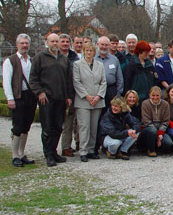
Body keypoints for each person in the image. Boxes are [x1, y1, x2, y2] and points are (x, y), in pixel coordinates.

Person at [29, 33, 74, 167]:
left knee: (58, 126)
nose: (55, 44)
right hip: (46, 98)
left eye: (56, 41)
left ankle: (54, 151)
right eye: (52, 41)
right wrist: (39, 92)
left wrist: (69, 96)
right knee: (47, 127)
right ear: (47, 43)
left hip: (61, 98)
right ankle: (48, 154)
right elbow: (33, 78)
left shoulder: (63, 59)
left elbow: (68, 79)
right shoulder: (40, 58)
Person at [3, 34, 37, 167]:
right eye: (22, 43)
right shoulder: (10, 61)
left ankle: (22, 153)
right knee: (18, 126)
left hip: (30, 96)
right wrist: (10, 98)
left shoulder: (31, 60)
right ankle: (15, 155)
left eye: (26, 43)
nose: (24, 45)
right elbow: (6, 81)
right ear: (17, 45)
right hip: (18, 96)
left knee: (26, 126)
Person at [72, 43, 107, 162]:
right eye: (86, 50)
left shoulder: (100, 65)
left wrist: (98, 96)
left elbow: (103, 82)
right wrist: (87, 96)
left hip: (97, 100)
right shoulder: (77, 65)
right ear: (83, 52)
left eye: (91, 51)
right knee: (84, 126)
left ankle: (91, 150)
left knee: (94, 127)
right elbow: (76, 82)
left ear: (94, 52)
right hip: (83, 100)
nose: (88, 53)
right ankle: (83, 151)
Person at [140, 86, 173, 156]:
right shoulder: (145, 103)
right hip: (148, 129)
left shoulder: (165, 104)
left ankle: (156, 147)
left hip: (160, 130)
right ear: (149, 95)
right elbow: (146, 121)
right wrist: (157, 135)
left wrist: (160, 133)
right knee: (152, 131)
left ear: (160, 95)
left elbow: (166, 121)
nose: (155, 97)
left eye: (157, 95)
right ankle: (150, 150)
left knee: (168, 143)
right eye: (153, 95)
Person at [123, 41, 157, 105]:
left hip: (148, 98)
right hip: (136, 99)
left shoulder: (149, 65)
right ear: (139, 52)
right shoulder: (131, 65)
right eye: (145, 52)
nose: (147, 54)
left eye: (148, 52)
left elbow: (154, 80)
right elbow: (127, 82)